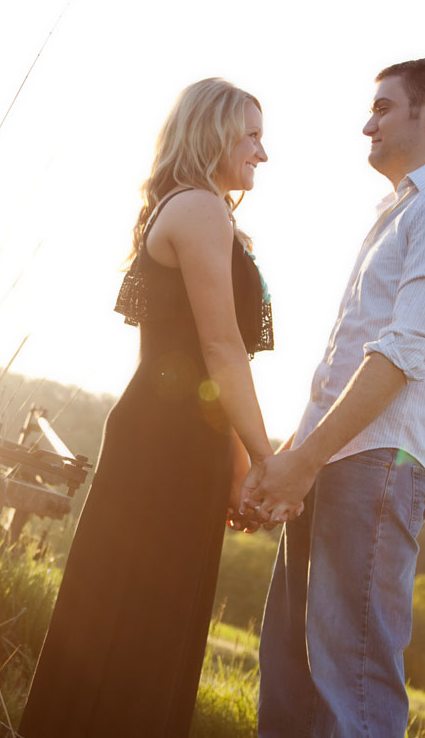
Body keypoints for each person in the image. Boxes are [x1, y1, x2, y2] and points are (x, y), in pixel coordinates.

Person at [240, 58, 425, 736]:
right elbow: (344, 361)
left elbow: (403, 350)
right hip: (334, 460)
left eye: (383, 107)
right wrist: (288, 462)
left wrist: (303, 460)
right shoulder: (402, 210)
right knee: (291, 683)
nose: (367, 122)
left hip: (376, 465)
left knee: (351, 689)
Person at [19, 78, 282, 737]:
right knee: (131, 622)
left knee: (155, 626)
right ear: (213, 133)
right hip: (162, 446)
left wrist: (234, 462)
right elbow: (220, 350)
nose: (262, 152)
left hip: (186, 442)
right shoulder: (198, 209)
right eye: (250, 134)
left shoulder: (206, 210)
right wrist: (270, 459)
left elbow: (217, 366)